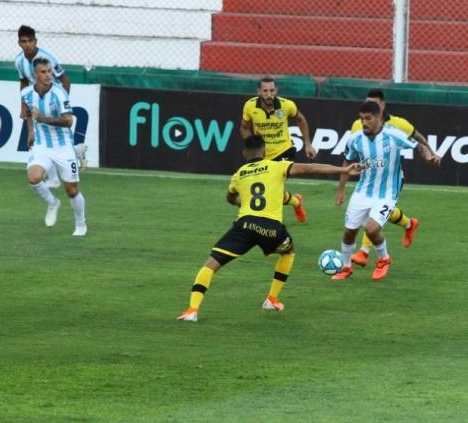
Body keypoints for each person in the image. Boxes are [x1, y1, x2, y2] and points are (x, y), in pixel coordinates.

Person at [177, 134, 361, 321]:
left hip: (244, 226)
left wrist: (241, 200)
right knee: (288, 252)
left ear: (244, 153)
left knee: (211, 264)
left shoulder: (239, 174)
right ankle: (271, 299)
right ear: (264, 152)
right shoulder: (277, 166)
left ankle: (192, 310)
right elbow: (309, 167)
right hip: (270, 229)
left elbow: (230, 198)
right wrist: (343, 168)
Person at [332, 101, 440, 281]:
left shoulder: (394, 135)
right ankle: (346, 267)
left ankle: (384, 259)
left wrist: (429, 156)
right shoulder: (356, 139)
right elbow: (347, 163)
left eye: (368, 118)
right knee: (349, 231)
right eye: (361, 119)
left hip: (388, 193)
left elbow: (419, 146)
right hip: (363, 192)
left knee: (372, 228)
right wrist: (341, 190)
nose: (364, 123)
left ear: (379, 118)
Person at [22, 57, 88, 237]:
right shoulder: (27, 93)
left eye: (50, 71)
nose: (48, 75)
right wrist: (31, 132)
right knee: (33, 178)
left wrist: (43, 119)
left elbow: (68, 121)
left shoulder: (59, 93)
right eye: (43, 72)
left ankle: (81, 224)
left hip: (63, 146)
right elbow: (28, 113)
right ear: (35, 75)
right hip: (42, 145)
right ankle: (52, 202)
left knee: (72, 190)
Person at [14, 25, 87, 181]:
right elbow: (24, 82)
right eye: (23, 41)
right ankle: (60, 168)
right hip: (36, 97)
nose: (27, 44)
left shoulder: (46, 58)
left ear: (35, 41)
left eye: (30, 41)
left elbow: (65, 79)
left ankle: (56, 172)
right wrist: (22, 105)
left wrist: (62, 102)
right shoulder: (19, 61)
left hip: (52, 98)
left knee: (54, 137)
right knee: (40, 138)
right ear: (19, 43)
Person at [240, 77, 317, 223]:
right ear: (259, 92)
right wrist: (252, 148)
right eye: (265, 91)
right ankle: (296, 202)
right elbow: (244, 127)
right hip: (263, 155)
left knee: (272, 190)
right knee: (275, 192)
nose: (269, 94)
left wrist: (308, 144)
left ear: (276, 91)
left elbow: (301, 119)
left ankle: (274, 224)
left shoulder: (287, 105)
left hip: (284, 151)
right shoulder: (250, 106)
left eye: (271, 90)